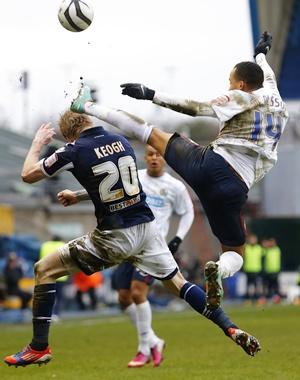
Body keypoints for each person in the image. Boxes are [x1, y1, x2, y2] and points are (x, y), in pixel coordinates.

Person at [5, 110, 260, 367]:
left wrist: (39, 143)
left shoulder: (73, 150)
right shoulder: (121, 142)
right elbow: (115, 183)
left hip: (115, 235)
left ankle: (38, 347)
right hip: (148, 230)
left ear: (70, 135)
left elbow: (28, 175)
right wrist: (79, 195)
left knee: (44, 269)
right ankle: (229, 327)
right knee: (179, 285)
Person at [70, 31, 288, 310]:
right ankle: (218, 271)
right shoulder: (274, 96)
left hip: (209, 165)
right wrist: (261, 53)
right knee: (236, 253)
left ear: (242, 85)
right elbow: (266, 75)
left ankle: (86, 106)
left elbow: (198, 108)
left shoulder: (242, 97)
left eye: (231, 81)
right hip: (235, 187)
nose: (229, 85)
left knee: (148, 133)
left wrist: (151, 95)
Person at [58, 144, 194, 367]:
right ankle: (153, 340)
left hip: (151, 248)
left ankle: (143, 348)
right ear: (145, 156)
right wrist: (76, 195)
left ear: (164, 159)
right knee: (123, 297)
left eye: (158, 154)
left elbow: (188, 212)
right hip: (129, 242)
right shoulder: (136, 176)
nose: (154, 158)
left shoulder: (175, 187)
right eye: (150, 154)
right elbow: (105, 190)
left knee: (138, 292)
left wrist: (178, 238)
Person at [39, 235, 68, 320]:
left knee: (47, 296)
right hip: (60, 276)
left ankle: (45, 314)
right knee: (59, 296)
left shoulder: (45, 246)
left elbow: (40, 259)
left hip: (47, 275)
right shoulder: (64, 245)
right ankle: (56, 314)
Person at [243, 234, 264, 301]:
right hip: (248, 269)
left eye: (254, 239)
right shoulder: (246, 247)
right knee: (248, 284)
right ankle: (248, 297)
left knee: (256, 284)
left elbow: (264, 255)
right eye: (251, 239)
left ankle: (256, 297)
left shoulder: (259, 248)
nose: (253, 241)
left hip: (256, 269)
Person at [262, 238, 281, 302]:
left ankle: (276, 297)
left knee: (275, 285)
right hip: (268, 270)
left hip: (275, 270)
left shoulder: (277, 249)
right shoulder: (267, 250)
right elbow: (263, 251)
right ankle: (269, 297)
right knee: (268, 285)